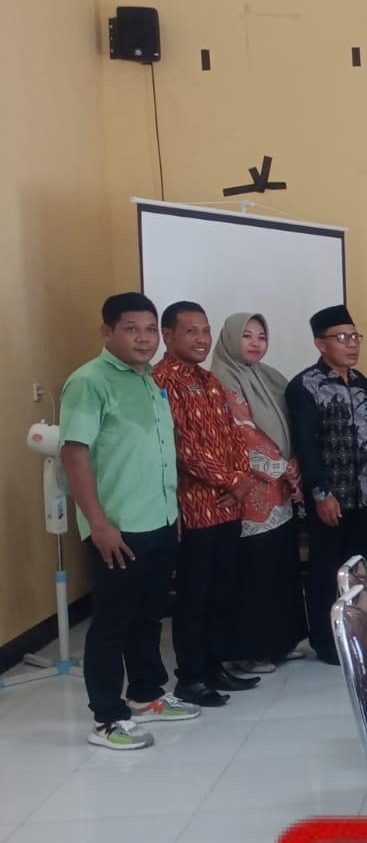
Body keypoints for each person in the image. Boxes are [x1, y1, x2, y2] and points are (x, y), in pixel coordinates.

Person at [60, 293, 198, 750]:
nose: (144, 338)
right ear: (107, 332)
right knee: (112, 622)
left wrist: (171, 511)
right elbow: (75, 454)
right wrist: (98, 523)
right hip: (118, 526)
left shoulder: (149, 379)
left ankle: (145, 693)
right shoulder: (89, 382)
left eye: (150, 329)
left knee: (148, 615)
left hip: (159, 519)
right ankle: (107, 716)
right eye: (131, 329)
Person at [152, 301, 257, 707]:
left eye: (205, 330)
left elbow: (233, 435)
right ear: (168, 335)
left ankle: (215, 666)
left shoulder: (210, 380)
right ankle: (191, 677)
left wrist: (242, 478)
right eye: (191, 331)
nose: (201, 339)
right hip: (195, 508)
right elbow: (182, 447)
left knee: (222, 591)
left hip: (229, 506)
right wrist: (233, 481)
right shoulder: (162, 381)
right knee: (194, 596)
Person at [209, 312, 307, 672]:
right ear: (230, 339)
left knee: (279, 568)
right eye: (247, 335)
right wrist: (282, 467)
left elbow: (288, 422)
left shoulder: (267, 376)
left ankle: (278, 643)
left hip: (278, 492)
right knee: (254, 573)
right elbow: (242, 434)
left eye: (261, 336)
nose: (254, 342)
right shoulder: (223, 379)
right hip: (247, 494)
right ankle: (248, 652)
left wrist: (294, 461)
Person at [287, 305, 367, 665]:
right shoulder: (305, 386)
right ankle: (326, 642)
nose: (351, 344)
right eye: (342, 338)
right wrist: (321, 493)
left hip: (364, 493)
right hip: (329, 497)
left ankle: (362, 634)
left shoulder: (361, 382)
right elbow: (306, 446)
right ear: (320, 344)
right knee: (327, 572)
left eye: (355, 336)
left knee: (359, 568)